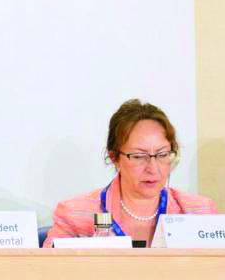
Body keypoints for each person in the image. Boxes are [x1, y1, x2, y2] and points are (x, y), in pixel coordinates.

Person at [43, 99, 216, 247]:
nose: (153, 168)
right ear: (114, 157)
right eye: (139, 156)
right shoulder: (74, 215)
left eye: (163, 155)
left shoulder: (199, 213)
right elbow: (48, 276)